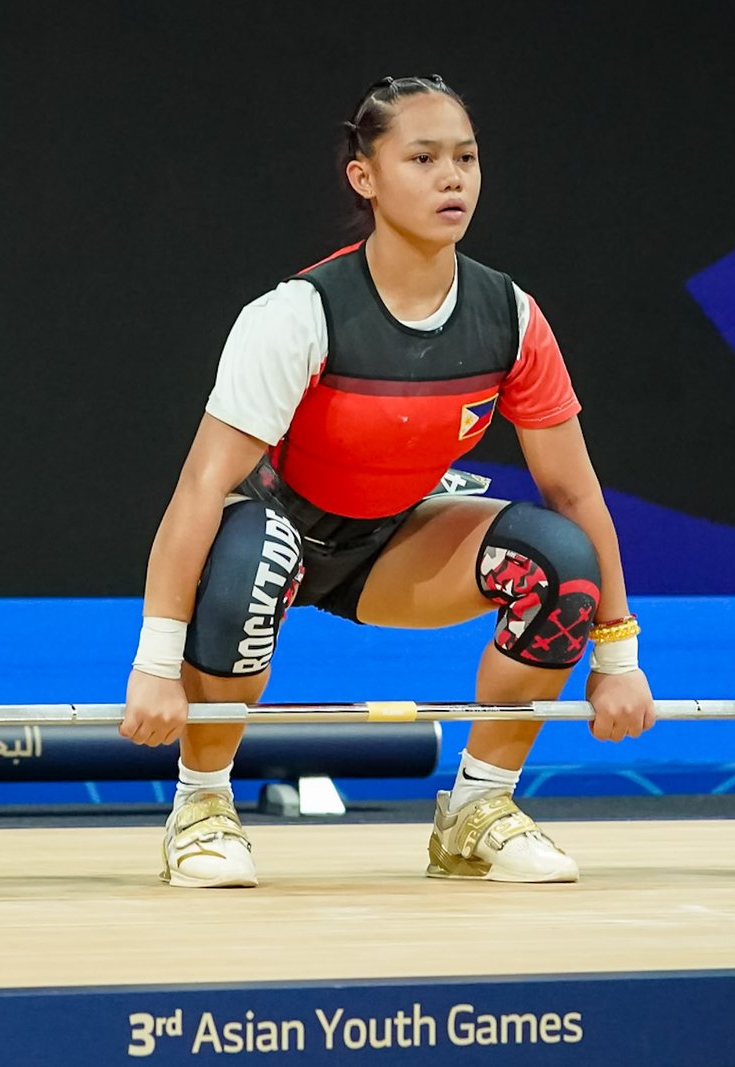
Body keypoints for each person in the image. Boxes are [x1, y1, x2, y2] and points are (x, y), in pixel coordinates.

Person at [119, 74, 656, 888]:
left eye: (467, 158)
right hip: (274, 532)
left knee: (562, 560)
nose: (453, 178)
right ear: (363, 177)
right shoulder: (299, 315)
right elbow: (199, 488)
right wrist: (155, 662)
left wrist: (617, 653)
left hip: (396, 546)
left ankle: (478, 810)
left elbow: (576, 493)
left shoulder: (509, 317)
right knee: (254, 550)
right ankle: (201, 807)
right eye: (424, 157)